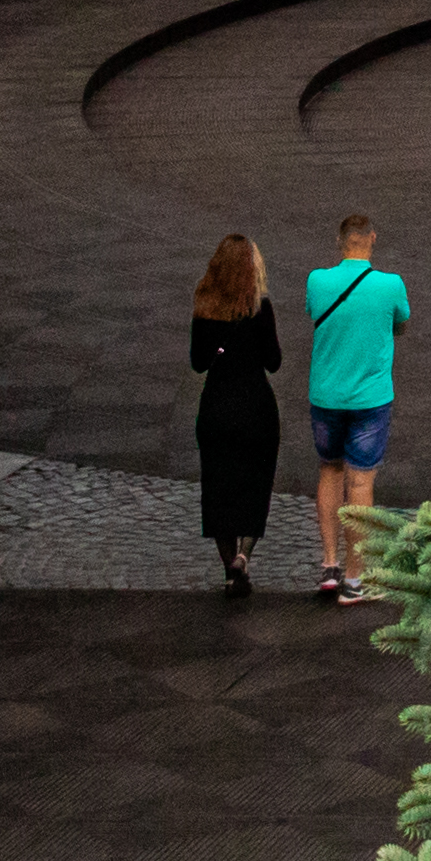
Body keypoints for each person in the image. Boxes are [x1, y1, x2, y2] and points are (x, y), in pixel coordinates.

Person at [299, 211, 413, 603]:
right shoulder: (390, 285)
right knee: (361, 482)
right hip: (370, 398)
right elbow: (401, 323)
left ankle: (328, 566)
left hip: (326, 396)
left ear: (340, 240)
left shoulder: (318, 280)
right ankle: (354, 578)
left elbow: (315, 313)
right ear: (372, 239)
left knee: (329, 471)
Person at [186, 234, 286, 595]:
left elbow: (199, 364)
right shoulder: (261, 307)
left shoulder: (206, 306)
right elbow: (274, 362)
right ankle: (245, 555)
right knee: (256, 484)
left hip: (217, 407)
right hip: (256, 407)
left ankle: (229, 568)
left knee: (218, 490)